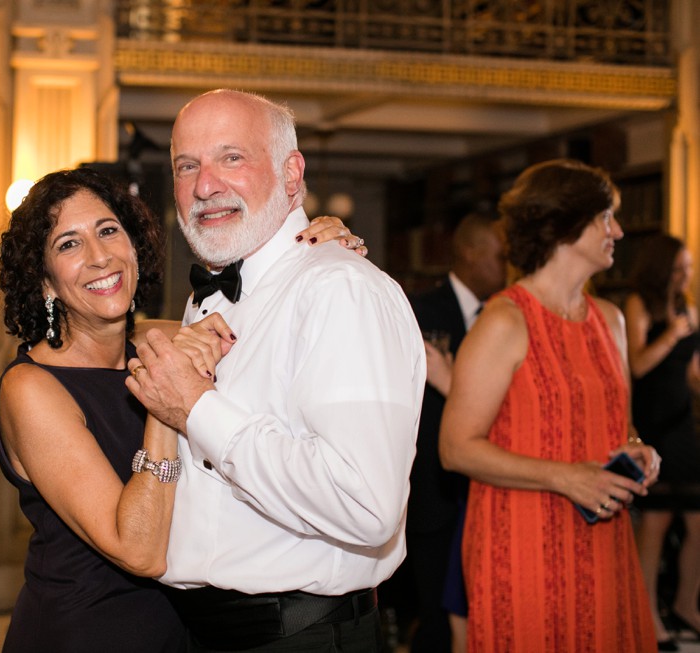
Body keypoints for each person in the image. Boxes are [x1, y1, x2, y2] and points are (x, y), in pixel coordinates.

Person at [0, 166, 364, 652]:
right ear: (45, 280)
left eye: (108, 231)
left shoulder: (156, 338)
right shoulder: (31, 389)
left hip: (182, 631)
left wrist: (314, 249)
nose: (100, 256)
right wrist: (165, 405)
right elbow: (138, 550)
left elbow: (267, 316)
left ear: (134, 246)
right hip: (84, 632)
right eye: (69, 244)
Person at [126, 88, 425, 652]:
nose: (205, 184)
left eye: (231, 157)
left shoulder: (341, 290)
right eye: (186, 165)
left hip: (300, 635)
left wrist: (195, 409)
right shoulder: (208, 300)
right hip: (201, 631)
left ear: (292, 173)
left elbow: (366, 505)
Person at [438, 158, 661, 652]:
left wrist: (638, 450)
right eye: (606, 217)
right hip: (521, 541)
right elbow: (456, 449)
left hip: (603, 537)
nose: (618, 232)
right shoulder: (504, 321)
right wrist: (565, 477)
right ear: (564, 224)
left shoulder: (611, 320)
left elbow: (620, 429)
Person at [404, 214, 505, 653]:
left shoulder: (509, 315)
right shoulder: (418, 310)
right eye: (502, 257)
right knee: (437, 617)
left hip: (493, 485)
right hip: (432, 487)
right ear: (471, 252)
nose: (509, 266)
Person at [624, 233, 700, 650]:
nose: (686, 275)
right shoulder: (639, 303)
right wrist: (670, 334)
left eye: (688, 268)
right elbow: (637, 364)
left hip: (684, 423)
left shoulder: (687, 305)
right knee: (655, 523)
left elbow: (691, 371)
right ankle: (648, 614)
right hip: (653, 423)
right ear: (661, 268)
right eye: (679, 268)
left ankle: (686, 602)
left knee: (697, 522)